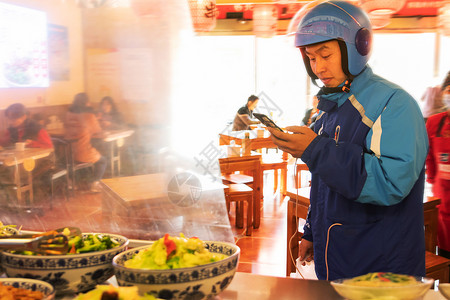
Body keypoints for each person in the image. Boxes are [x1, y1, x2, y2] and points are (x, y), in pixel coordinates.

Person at [267, 1, 428, 280]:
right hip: (338, 256)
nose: (318, 67)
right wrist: (312, 233)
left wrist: (315, 149)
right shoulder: (333, 105)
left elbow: (390, 183)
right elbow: (324, 183)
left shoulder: (394, 103)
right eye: (311, 58)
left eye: (325, 55)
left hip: (382, 265)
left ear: (356, 48)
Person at [0, 103, 54, 201]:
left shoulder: (36, 127)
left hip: (42, 160)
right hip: (20, 160)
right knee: (6, 170)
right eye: (9, 119)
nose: (11, 122)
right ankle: (13, 198)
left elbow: (49, 146)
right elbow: (5, 142)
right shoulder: (12, 129)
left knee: (13, 173)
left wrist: (32, 143)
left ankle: (20, 200)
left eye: (13, 119)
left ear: (24, 117)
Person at [425, 72, 450, 259]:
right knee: (444, 254)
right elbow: (429, 157)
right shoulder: (434, 122)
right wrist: (433, 179)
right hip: (443, 201)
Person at [64, 93, 107, 193]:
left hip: (68, 153)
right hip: (82, 151)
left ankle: (72, 182)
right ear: (87, 103)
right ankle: (95, 184)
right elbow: (98, 131)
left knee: (90, 154)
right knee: (102, 160)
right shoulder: (89, 116)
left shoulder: (69, 114)